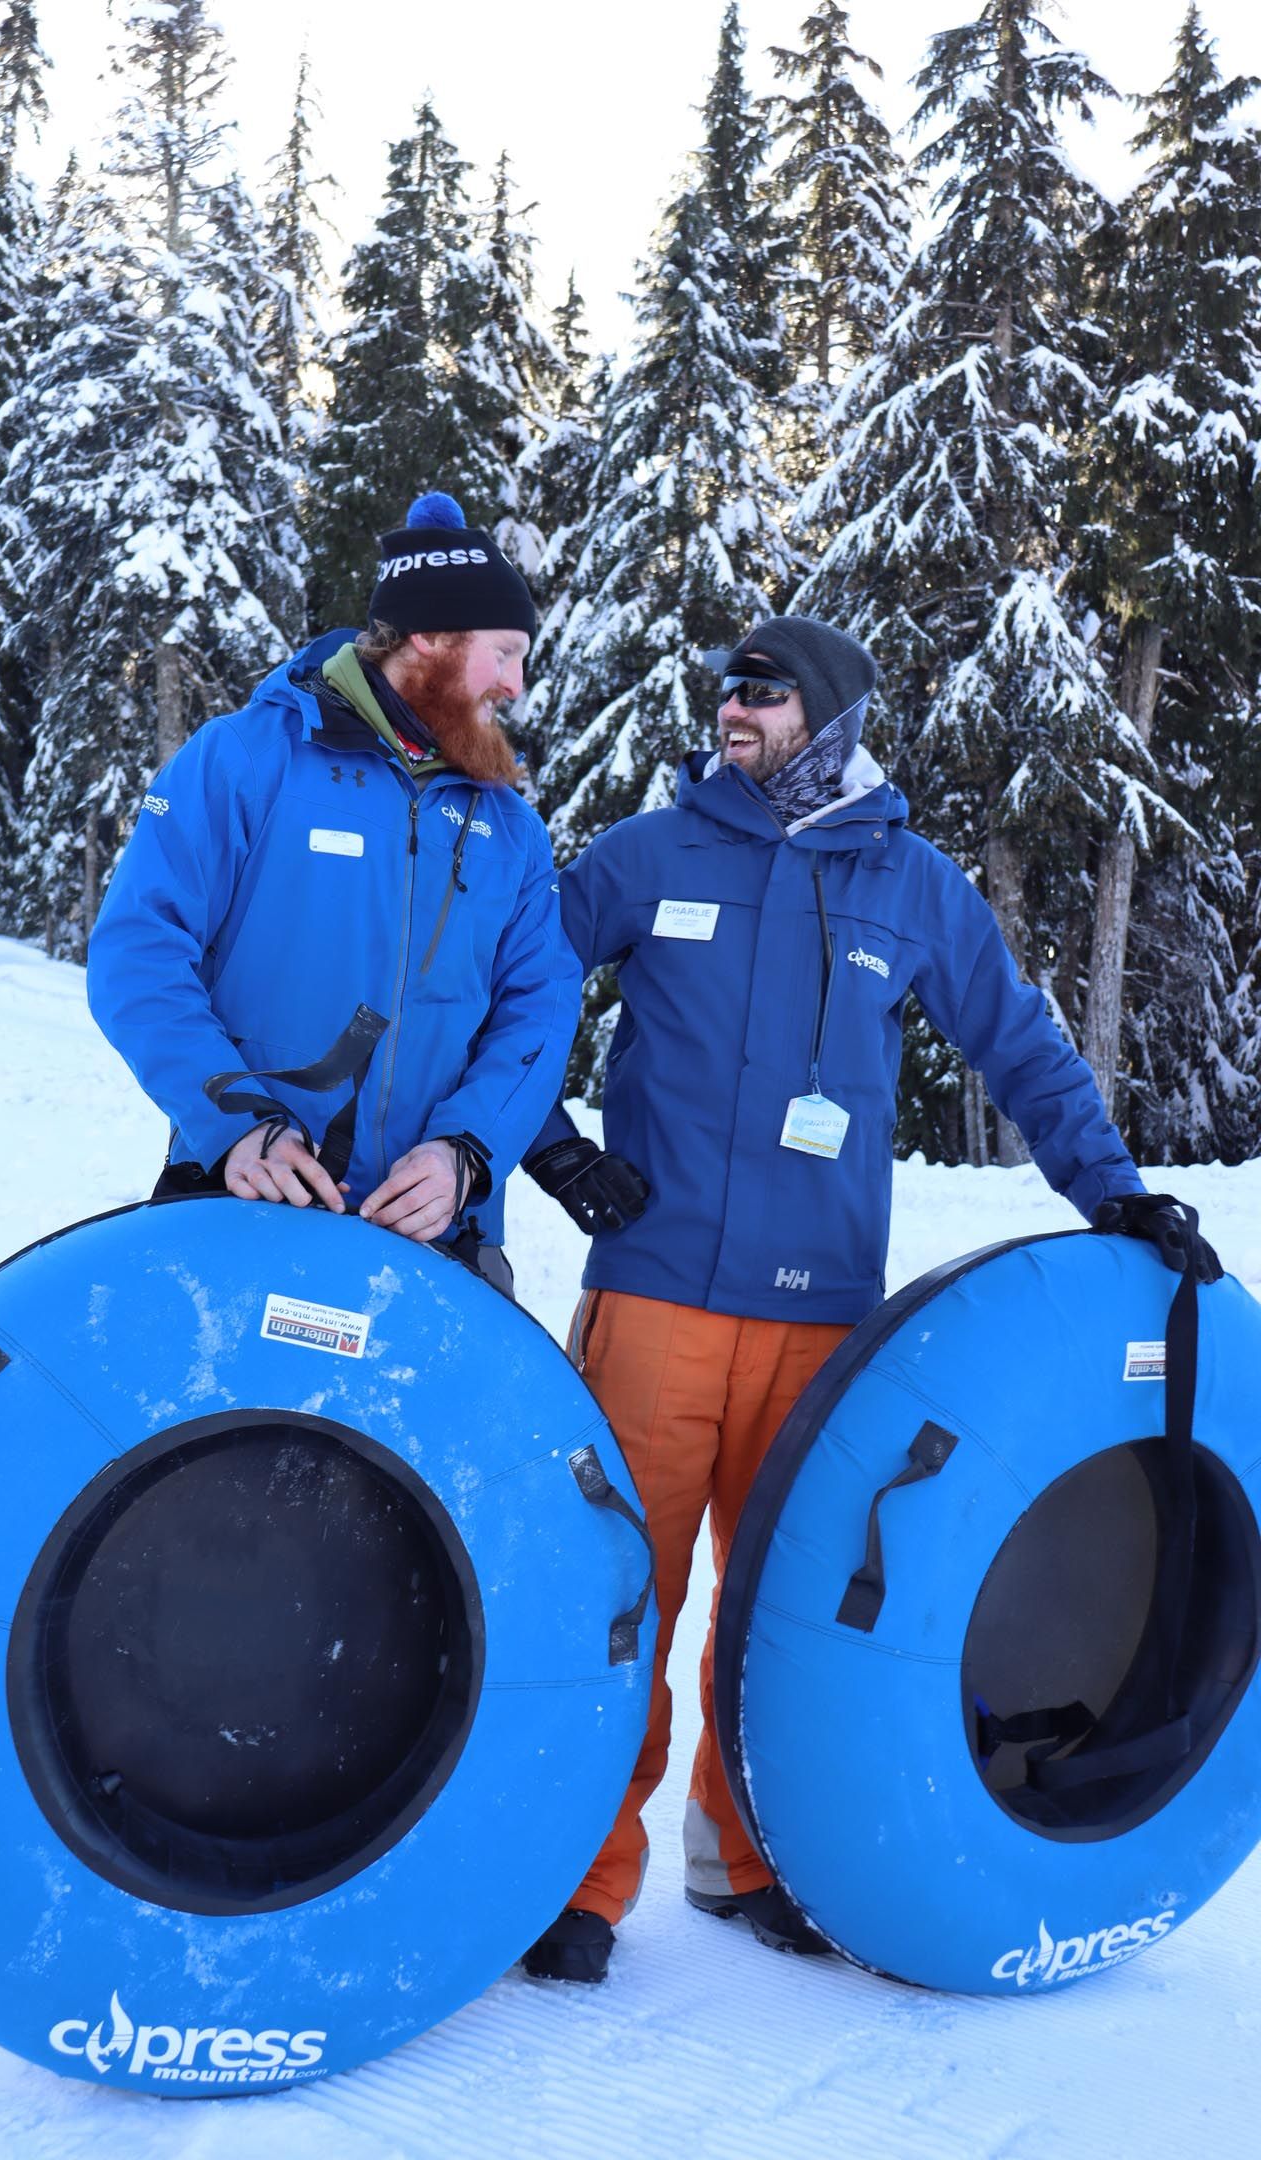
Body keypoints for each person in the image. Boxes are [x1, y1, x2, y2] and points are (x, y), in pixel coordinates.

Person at [520, 612, 1171, 1985]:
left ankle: (746, 1857)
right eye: (723, 693)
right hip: (656, 1296)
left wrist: (1109, 1192)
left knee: (779, 1616)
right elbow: (511, 998)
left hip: (822, 1316)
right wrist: (552, 1146)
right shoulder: (649, 855)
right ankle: (575, 1879)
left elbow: (1022, 1046)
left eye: (756, 695)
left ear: (826, 713)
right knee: (615, 1592)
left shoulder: (912, 886)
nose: (729, 713)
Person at [87, 492, 580, 1289]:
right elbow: (138, 955)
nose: (518, 685)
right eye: (505, 652)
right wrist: (236, 1124)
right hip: (246, 1197)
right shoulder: (248, 760)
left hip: (433, 1234)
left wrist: (468, 1152)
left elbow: (542, 1008)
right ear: (431, 638)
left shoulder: (512, 828)